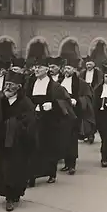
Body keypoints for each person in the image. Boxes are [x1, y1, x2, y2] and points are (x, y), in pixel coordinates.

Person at [0, 69, 37, 211]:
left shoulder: (26, 103)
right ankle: (8, 196)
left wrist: (14, 126)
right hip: (3, 142)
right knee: (5, 169)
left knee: (17, 169)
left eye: (11, 85)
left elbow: (30, 123)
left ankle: (15, 194)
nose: (7, 87)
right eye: (6, 84)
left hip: (19, 143)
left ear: (19, 87)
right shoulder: (1, 101)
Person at [24, 58, 76, 187]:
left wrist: (53, 105)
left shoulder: (55, 86)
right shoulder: (30, 83)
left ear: (47, 70)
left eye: (39, 68)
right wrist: (30, 107)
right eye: (35, 67)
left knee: (49, 147)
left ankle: (51, 173)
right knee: (32, 147)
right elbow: (24, 98)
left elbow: (65, 101)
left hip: (49, 121)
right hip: (33, 119)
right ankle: (32, 176)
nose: (36, 70)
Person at [58, 58, 95, 175]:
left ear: (74, 70)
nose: (66, 71)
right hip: (62, 113)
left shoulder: (81, 83)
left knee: (72, 140)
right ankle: (66, 163)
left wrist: (77, 101)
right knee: (63, 139)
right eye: (65, 68)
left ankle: (72, 165)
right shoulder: (60, 81)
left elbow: (88, 97)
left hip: (74, 114)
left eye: (69, 68)